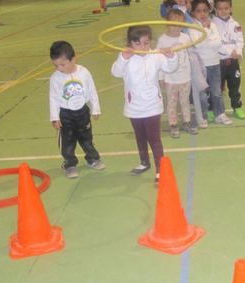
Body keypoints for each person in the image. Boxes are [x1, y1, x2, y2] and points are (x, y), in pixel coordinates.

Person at [111, 26, 178, 184]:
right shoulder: (126, 59)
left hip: (152, 106)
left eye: (146, 43)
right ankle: (144, 162)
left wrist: (171, 57)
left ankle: (160, 169)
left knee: (154, 139)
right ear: (130, 43)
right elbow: (116, 72)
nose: (143, 47)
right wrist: (123, 58)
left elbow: (171, 68)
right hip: (134, 107)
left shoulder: (155, 56)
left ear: (150, 42)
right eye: (138, 44)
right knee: (140, 137)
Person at [49, 41, 104, 179]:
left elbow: (92, 90)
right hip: (65, 115)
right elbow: (53, 98)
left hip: (82, 112)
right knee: (67, 142)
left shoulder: (84, 72)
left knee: (87, 138)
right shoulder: (55, 78)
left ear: (73, 59)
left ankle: (93, 158)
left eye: (62, 64)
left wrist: (95, 108)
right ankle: (70, 164)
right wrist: (55, 117)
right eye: (56, 65)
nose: (59, 68)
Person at [188, 0, 233, 126]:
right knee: (202, 94)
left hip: (214, 64)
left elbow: (218, 43)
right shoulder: (193, 28)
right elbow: (198, 44)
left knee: (217, 91)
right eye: (198, 11)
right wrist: (207, 32)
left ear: (209, 11)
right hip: (200, 66)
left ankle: (220, 114)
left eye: (205, 11)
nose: (202, 14)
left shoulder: (213, 25)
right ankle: (202, 116)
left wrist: (207, 35)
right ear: (193, 13)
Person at [157, 9, 197, 137]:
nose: (177, 27)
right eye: (174, 23)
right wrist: (161, 77)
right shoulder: (163, 40)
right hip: (171, 79)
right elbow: (159, 60)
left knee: (185, 101)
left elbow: (190, 54)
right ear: (167, 23)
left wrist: (193, 72)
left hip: (185, 77)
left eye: (180, 24)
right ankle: (173, 124)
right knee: (172, 102)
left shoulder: (185, 37)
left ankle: (187, 122)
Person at [213, 0, 245, 119]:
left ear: (230, 8)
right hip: (218, 62)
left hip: (233, 61)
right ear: (215, 9)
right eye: (220, 9)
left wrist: (238, 52)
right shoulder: (212, 25)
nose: (223, 11)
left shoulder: (235, 24)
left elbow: (240, 40)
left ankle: (237, 107)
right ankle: (212, 108)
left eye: (226, 8)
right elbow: (215, 43)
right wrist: (229, 52)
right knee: (216, 88)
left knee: (235, 86)